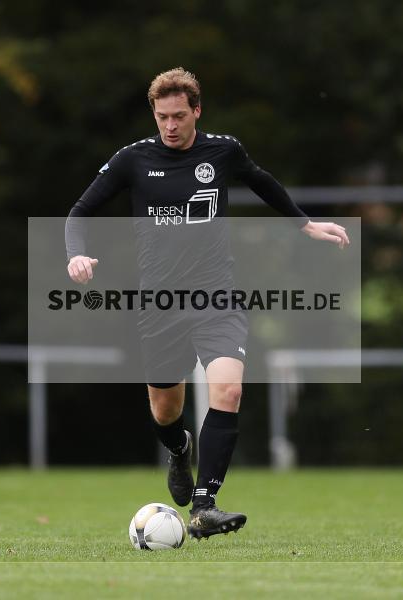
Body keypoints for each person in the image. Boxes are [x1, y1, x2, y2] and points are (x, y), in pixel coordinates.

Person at [65, 67, 348, 539]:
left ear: (197, 111)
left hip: (217, 294)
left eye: (179, 116)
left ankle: (203, 506)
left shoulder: (223, 150)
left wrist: (305, 223)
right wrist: (75, 255)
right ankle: (179, 450)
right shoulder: (133, 160)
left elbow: (260, 181)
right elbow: (80, 211)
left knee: (229, 391)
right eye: (162, 117)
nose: (170, 126)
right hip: (159, 304)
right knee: (164, 410)